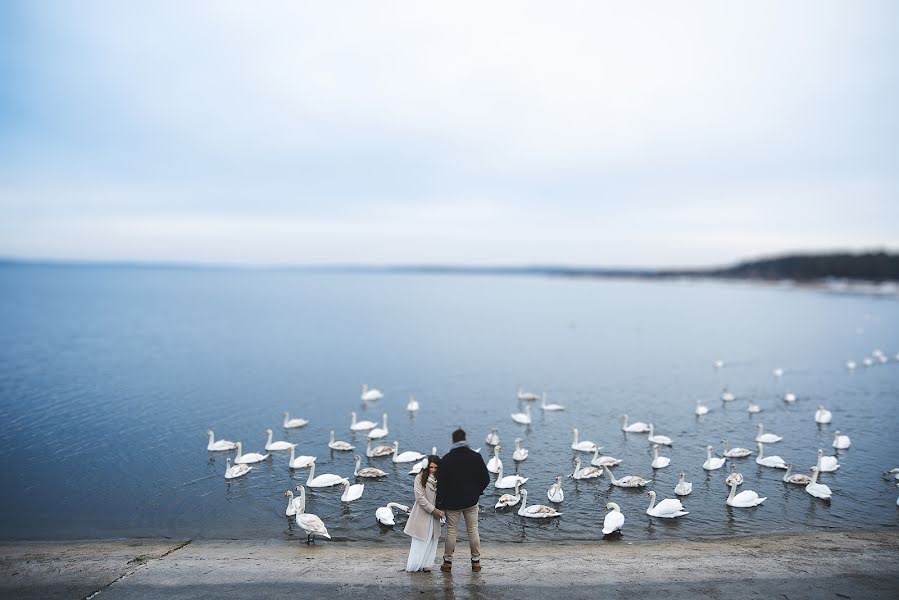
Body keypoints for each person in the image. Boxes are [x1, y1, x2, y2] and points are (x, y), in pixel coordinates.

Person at [436, 428, 490, 572]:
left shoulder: (446, 459)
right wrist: (477, 492)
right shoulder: (476, 457)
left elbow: (441, 485)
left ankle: (447, 563)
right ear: (465, 440)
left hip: (452, 503)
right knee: (473, 530)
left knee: (451, 531)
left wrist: (439, 504)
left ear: (452, 440)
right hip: (471, 501)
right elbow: (486, 479)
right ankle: (476, 562)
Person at [404, 455, 445, 572]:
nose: (433, 470)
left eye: (435, 467)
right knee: (419, 542)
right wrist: (434, 510)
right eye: (431, 467)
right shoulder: (419, 478)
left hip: (434, 517)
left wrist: (443, 509)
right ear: (427, 467)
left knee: (432, 541)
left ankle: (427, 565)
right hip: (423, 514)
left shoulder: (440, 480)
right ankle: (413, 567)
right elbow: (420, 498)